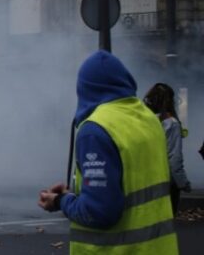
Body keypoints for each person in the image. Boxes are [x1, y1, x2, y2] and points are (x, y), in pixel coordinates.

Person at [38, 51, 178, 253]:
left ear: (84, 89)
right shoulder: (148, 119)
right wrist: (78, 195)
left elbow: (99, 212)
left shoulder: (95, 130)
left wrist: (61, 201)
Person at [143, 83, 192, 214]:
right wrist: (183, 183)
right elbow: (174, 158)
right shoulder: (172, 124)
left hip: (143, 180)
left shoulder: (142, 121)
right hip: (165, 182)